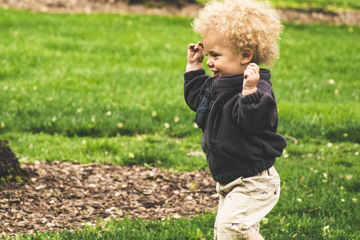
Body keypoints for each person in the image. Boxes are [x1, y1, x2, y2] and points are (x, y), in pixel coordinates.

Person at [183, 0, 287, 239]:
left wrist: (249, 94)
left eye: (215, 55)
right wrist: (193, 66)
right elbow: (197, 101)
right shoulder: (216, 84)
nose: (209, 61)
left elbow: (256, 122)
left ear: (245, 55)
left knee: (231, 229)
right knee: (232, 232)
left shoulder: (258, 89)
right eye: (207, 54)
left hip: (253, 181)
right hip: (230, 177)